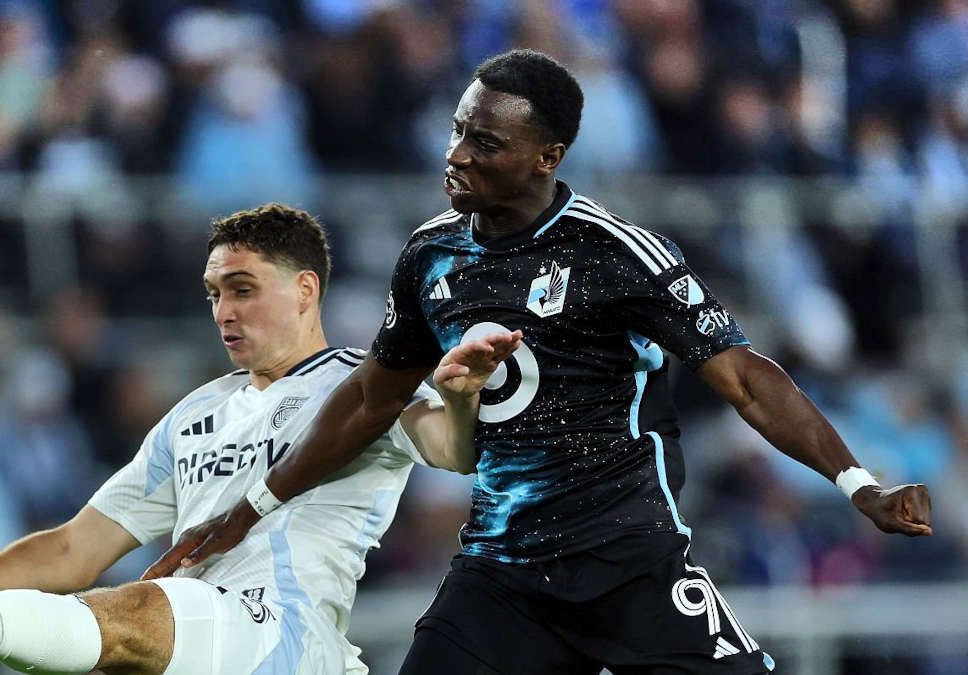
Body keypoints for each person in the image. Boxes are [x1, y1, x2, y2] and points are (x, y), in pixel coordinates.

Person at [151, 50, 934, 674]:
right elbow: (368, 401)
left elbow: (747, 380)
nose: (456, 155)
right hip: (504, 574)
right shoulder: (430, 256)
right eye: (458, 130)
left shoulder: (616, 253)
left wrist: (858, 483)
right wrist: (251, 505)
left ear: (545, 158)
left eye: (485, 143)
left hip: (631, 564)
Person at [0, 203, 521, 674]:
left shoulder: (361, 384)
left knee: (138, 608)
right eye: (214, 293)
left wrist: (462, 401)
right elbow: (72, 550)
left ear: (305, 290)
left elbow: (451, 451)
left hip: (283, 639)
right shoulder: (193, 415)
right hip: (203, 651)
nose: (223, 311)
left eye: (242, 289)